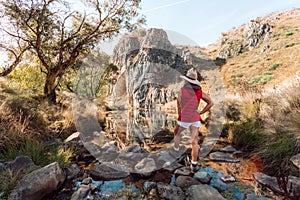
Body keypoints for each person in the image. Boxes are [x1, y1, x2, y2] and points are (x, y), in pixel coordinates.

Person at [170, 67, 213, 173]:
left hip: (184, 117)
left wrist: (179, 114)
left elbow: (179, 104)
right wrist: (201, 112)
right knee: (195, 142)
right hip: (195, 117)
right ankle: (194, 164)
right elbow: (211, 103)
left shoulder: (183, 90)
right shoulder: (199, 91)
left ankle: (176, 149)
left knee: (177, 133)